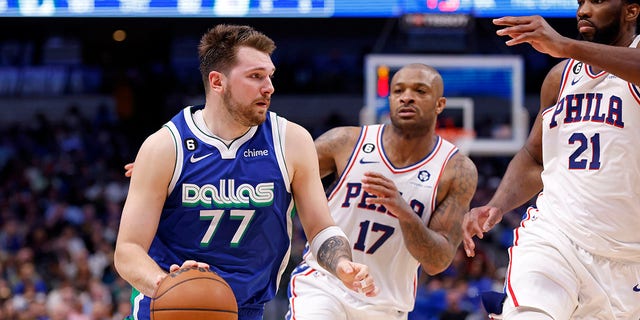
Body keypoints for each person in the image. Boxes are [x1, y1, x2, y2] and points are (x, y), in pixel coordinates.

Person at [113, 24, 377, 320]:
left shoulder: (291, 140)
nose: (269, 87)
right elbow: (128, 250)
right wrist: (169, 285)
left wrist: (341, 263)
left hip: (247, 311)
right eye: (255, 76)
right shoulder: (165, 146)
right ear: (217, 82)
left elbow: (320, 227)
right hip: (164, 308)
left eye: (269, 76)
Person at [462, 3, 640, 319]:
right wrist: (498, 204)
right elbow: (534, 157)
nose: (584, 10)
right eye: (580, 2)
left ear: (631, 11)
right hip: (556, 237)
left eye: (597, 1)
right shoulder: (560, 77)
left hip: (629, 257)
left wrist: (565, 45)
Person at [286, 63, 478, 319]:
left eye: (420, 91)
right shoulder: (345, 142)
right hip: (325, 284)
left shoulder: (456, 170)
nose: (407, 97)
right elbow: (282, 180)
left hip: (387, 305)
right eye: (399, 90)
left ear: (440, 104)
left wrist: (405, 212)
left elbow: (437, 261)